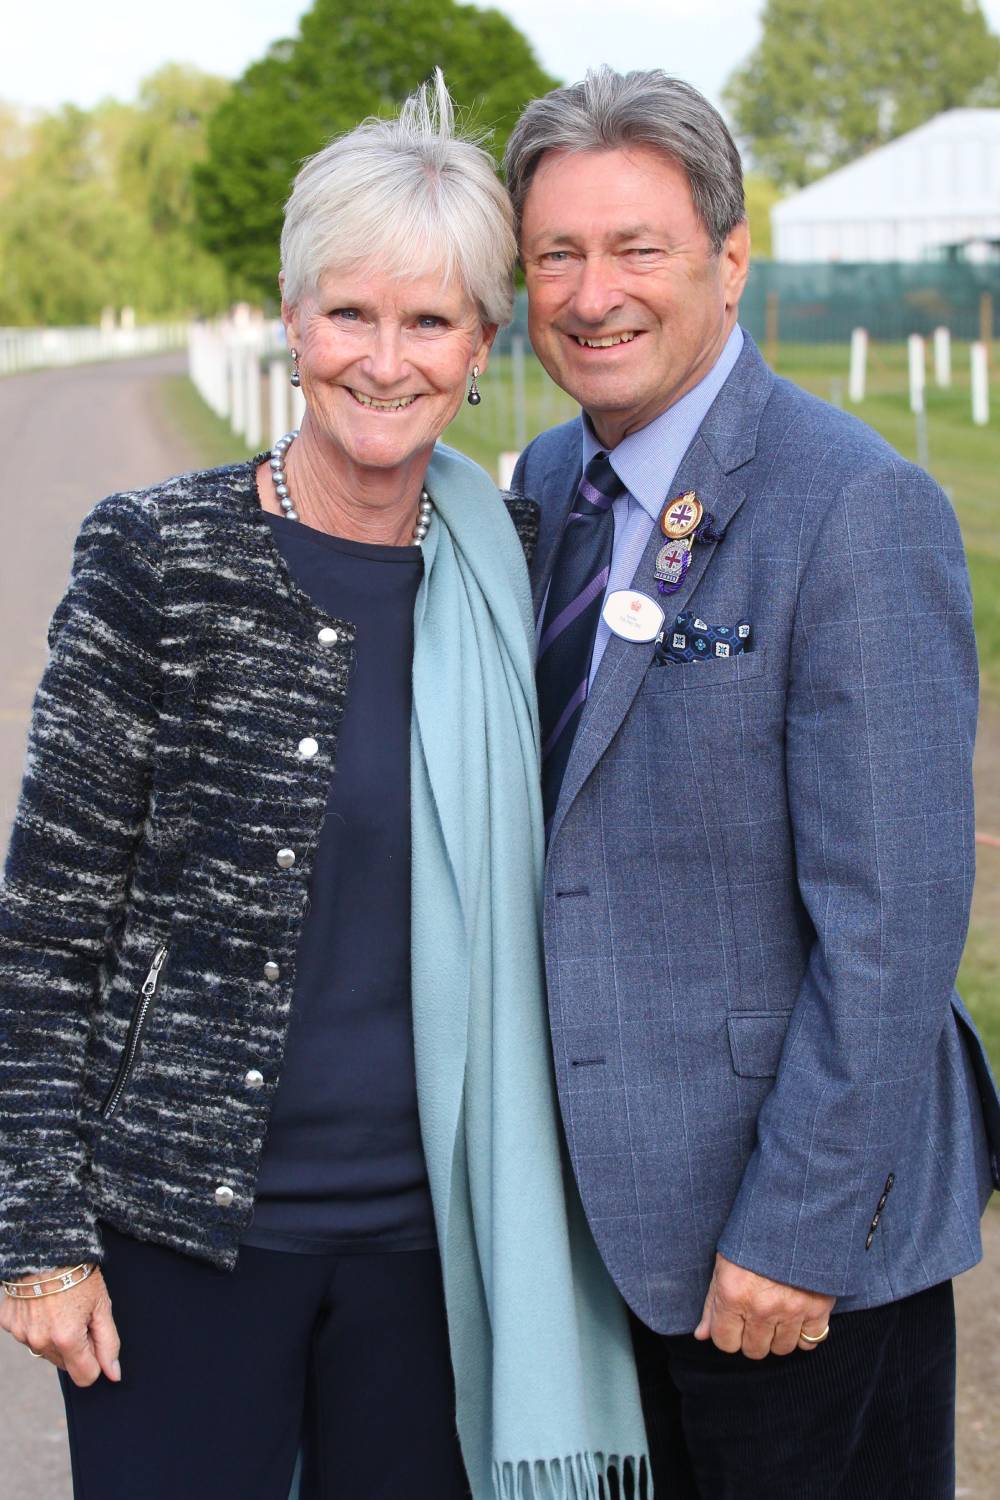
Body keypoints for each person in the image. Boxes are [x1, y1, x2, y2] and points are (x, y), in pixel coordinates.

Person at [0, 74, 649, 1500]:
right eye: (350, 314)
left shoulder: (525, 570)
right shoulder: (158, 556)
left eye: (429, 322)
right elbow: (46, 928)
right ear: (292, 323)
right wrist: (38, 1232)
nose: (384, 359)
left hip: (434, 1250)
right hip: (179, 1234)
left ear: (483, 346)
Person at [506, 65, 1000, 1500]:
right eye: (557, 254)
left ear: (730, 260)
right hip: (597, 1245)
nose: (594, 292)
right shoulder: (542, 489)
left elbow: (896, 920)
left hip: (785, 1255)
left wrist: (795, 1229)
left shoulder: (854, 505)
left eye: (637, 248)